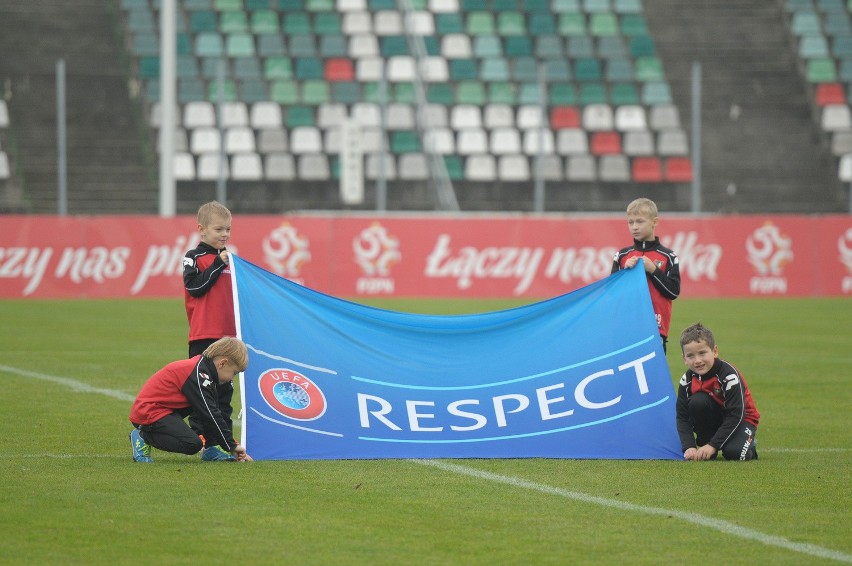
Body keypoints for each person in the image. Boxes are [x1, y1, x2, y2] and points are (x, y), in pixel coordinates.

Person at [129, 337, 252, 463]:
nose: (232, 379)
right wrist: (231, 446)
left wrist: (219, 443)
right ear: (222, 363)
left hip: (165, 412)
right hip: (148, 411)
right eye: (234, 373)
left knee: (202, 425)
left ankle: (211, 449)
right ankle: (142, 436)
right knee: (192, 444)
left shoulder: (205, 370)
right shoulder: (198, 374)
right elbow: (210, 414)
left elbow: (212, 412)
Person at [183, 201, 238, 460]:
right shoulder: (193, 257)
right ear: (202, 230)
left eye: (227, 229)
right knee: (201, 391)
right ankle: (203, 441)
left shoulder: (230, 259)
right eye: (218, 229)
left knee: (224, 392)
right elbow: (195, 288)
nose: (224, 234)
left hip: (228, 338)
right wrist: (218, 264)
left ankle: (219, 443)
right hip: (203, 335)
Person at [676, 323, 760, 461]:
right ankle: (706, 443)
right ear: (684, 359)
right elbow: (682, 417)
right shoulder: (686, 381)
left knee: (735, 454)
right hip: (716, 417)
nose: (697, 361)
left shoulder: (728, 376)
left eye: (702, 353)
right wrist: (689, 446)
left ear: (714, 351)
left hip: (742, 418)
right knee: (698, 402)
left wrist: (713, 445)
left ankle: (749, 443)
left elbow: (736, 414)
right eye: (690, 356)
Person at [611, 197, 680, 352]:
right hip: (626, 329)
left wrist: (653, 270)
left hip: (656, 329)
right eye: (631, 222)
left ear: (654, 222)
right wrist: (624, 273)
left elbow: (673, 291)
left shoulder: (668, 256)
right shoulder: (622, 256)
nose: (634, 227)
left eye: (640, 221)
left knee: (653, 376)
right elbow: (612, 293)